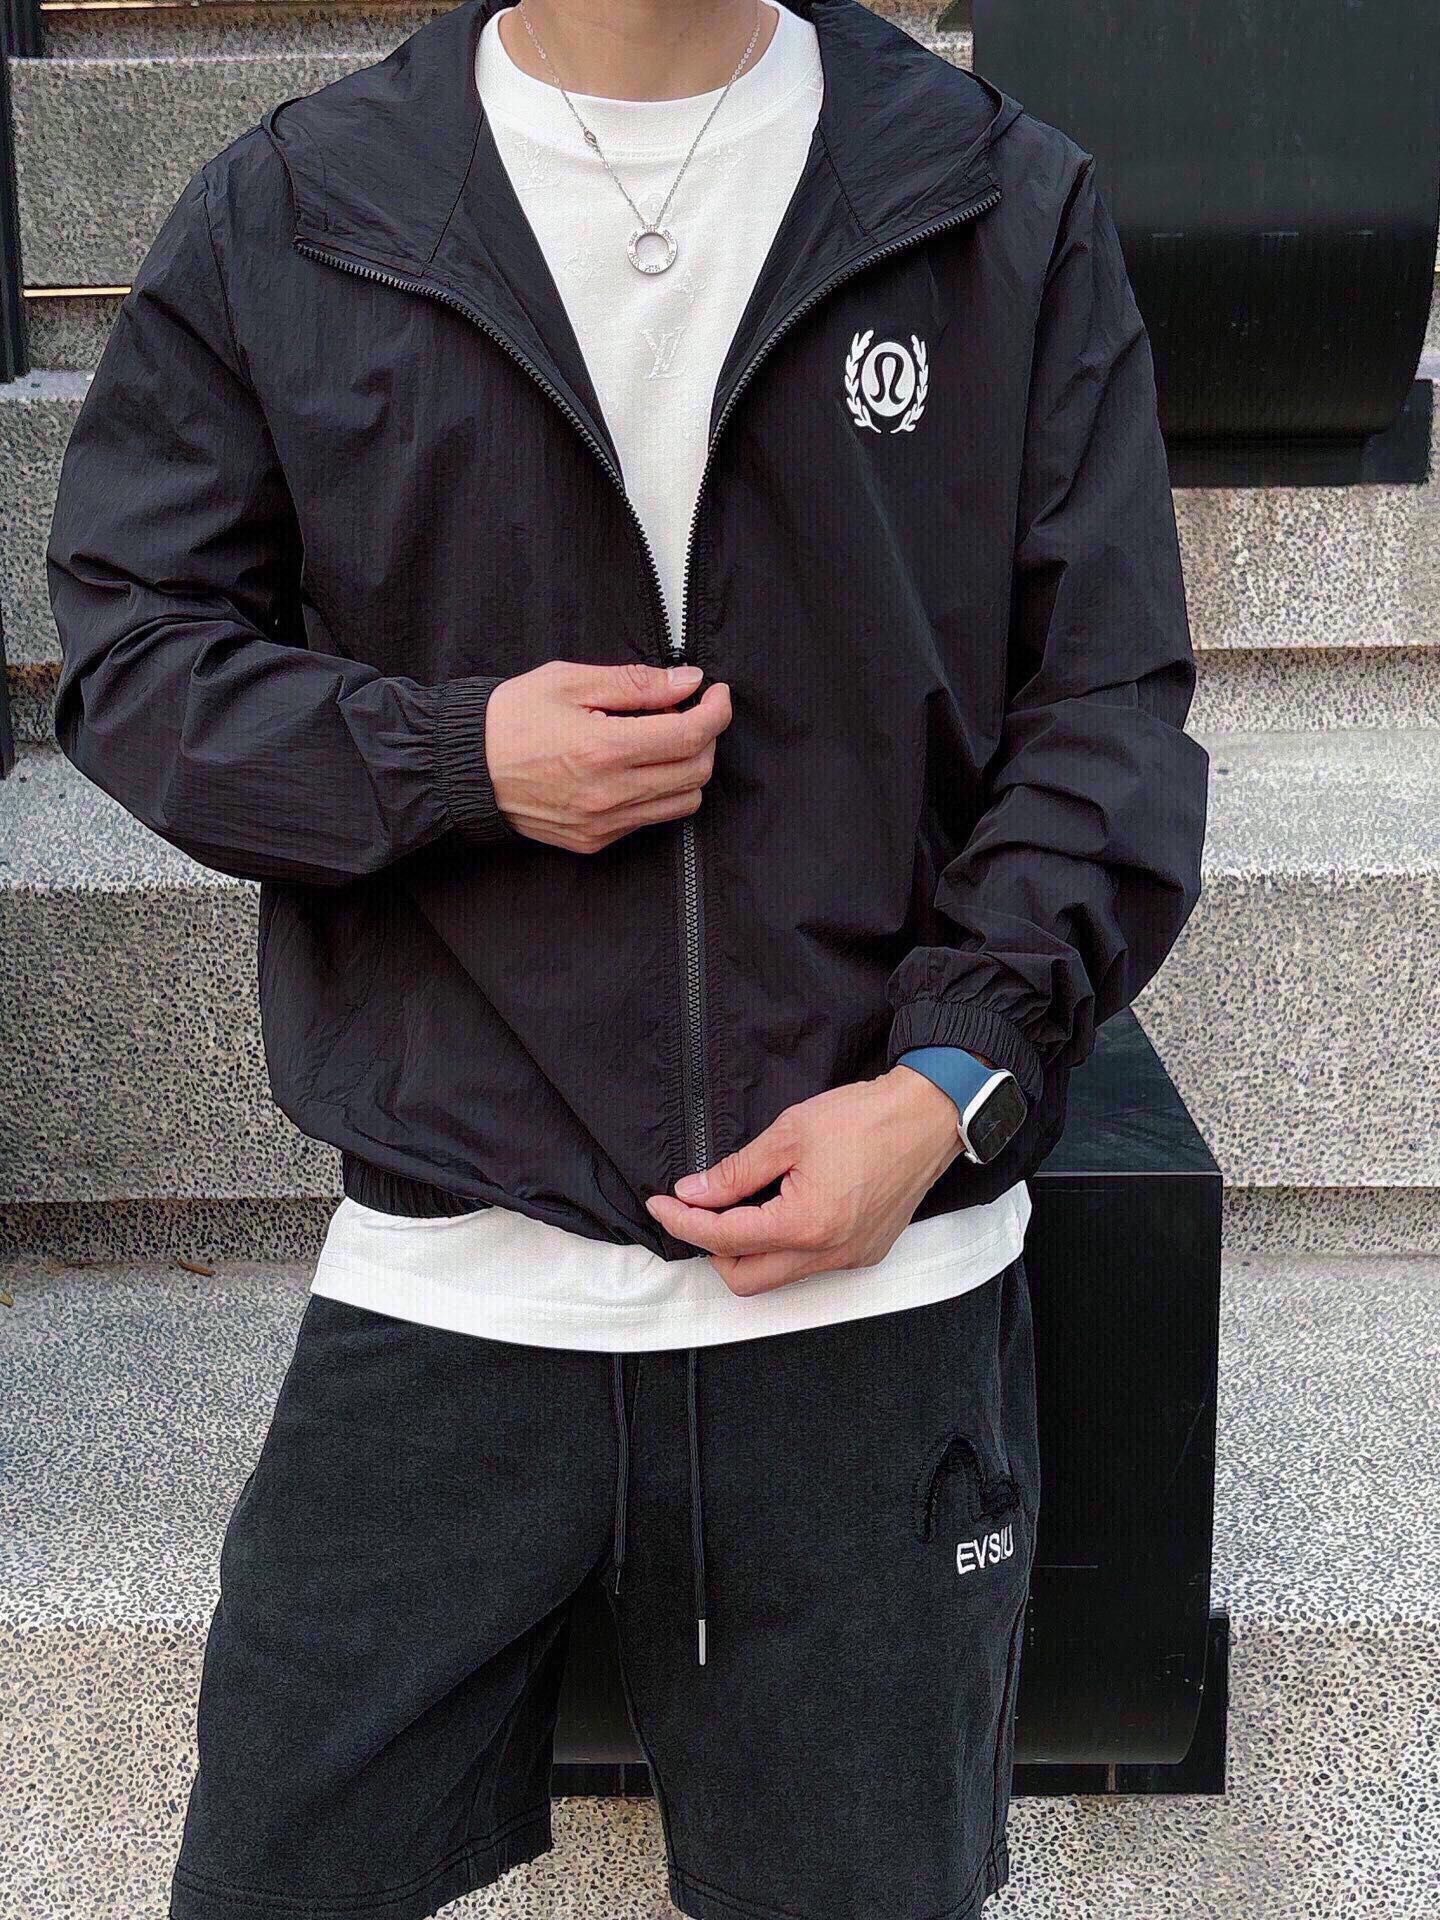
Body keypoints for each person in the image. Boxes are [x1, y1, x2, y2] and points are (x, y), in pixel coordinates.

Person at [46, 0, 1209, 1916]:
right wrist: (454, 759)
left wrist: (946, 1091)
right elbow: (137, 655)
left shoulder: (995, 197)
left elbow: (1105, 711)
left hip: (871, 1292)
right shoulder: (302, 208)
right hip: (456, 1268)